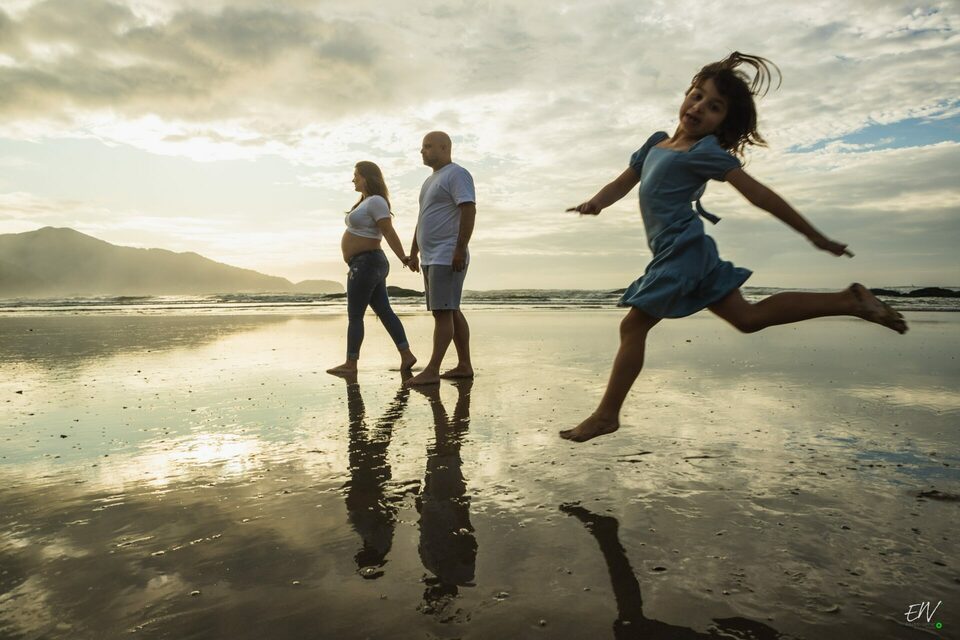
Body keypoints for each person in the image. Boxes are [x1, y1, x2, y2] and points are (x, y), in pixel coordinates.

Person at [561, 52, 907, 443]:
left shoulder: (705, 152)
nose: (698, 108)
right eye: (696, 96)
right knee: (747, 318)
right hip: (683, 252)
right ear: (686, 94)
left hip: (683, 251)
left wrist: (814, 236)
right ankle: (849, 301)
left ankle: (607, 414)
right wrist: (596, 203)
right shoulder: (657, 144)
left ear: (723, 122)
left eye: (714, 107)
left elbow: (759, 195)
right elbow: (623, 181)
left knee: (633, 324)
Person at [327, 161, 417, 375]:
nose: (353, 179)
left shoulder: (376, 201)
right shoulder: (366, 202)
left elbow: (388, 231)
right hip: (366, 263)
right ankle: (406, 355)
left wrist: (404, 257)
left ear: (368, 177)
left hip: (367, 264)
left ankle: (351, 364)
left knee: (355, 316)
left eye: (356, 175)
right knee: (384, 312)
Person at [405, 131, 477, 386]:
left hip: (447, 254)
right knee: (451, 309)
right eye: (422, 146)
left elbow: (468, 209)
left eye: (427, 146)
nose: (422, 151)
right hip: (431, 256)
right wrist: (413, 252)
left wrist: (460, 248)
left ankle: (433, 369)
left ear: (444, 148)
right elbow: (422, 217)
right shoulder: (429, 181)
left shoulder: (457, 174)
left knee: (442, 312)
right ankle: (464, 365)